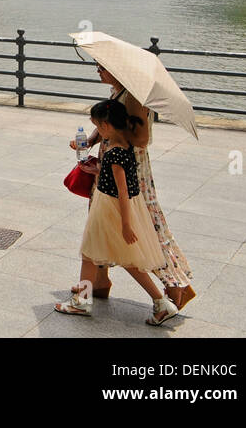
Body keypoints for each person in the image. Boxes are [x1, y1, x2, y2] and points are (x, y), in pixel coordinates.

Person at [81, 62, 196, 310]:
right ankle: (99, 281)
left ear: (119, 69)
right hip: (111, 161)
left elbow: (142, 139)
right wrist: (91, 140)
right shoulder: (117, 91)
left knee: (147, 226)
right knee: (99, 220)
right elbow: (109, 123)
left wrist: (115, 143)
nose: (98, 70)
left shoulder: (133, 96)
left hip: (128, 166)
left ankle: (174, 285)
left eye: (102, 67)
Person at [55, 98, 178, 326]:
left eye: (98, 126)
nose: (98, 132)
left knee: (91, 254)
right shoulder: (126, 148)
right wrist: (99, 169)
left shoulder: (113, 153)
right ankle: (161, 303)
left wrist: (126, 224)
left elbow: (122, 191)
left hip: (108, 208)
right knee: (122, 260)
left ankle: (82, 302)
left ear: (107, 126)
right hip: (113, 206)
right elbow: (124, 182)